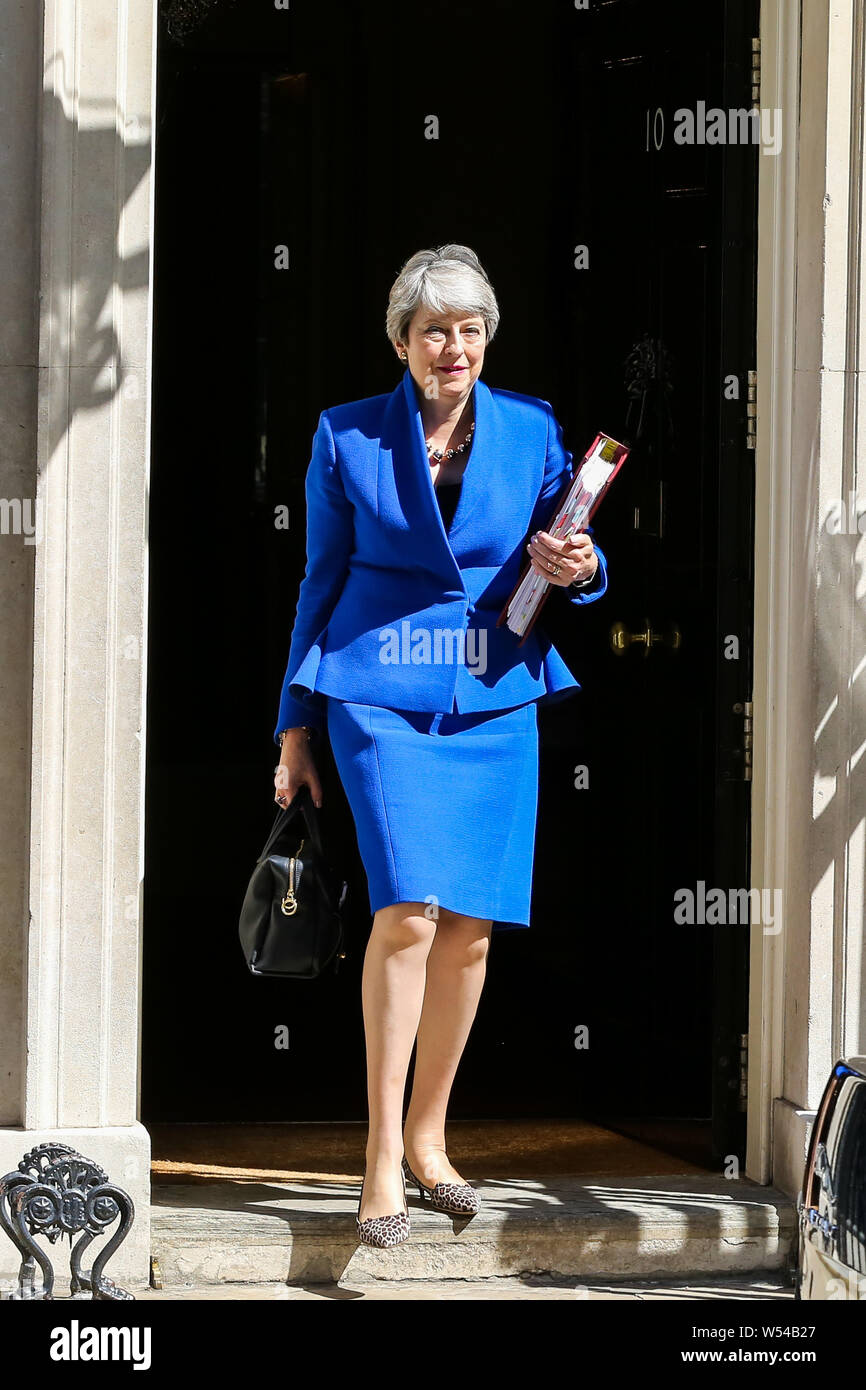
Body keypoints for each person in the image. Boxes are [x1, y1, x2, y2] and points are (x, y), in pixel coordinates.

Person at [273, 245, 608, 1247]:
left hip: (497, 694)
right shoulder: (344, 439)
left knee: (471, 925)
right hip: (374, 693)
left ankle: (429, 1139)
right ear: (400, 342)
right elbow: (317, 580)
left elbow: (570, 551)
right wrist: (294, 720)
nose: (451, 346)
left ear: (484, 340)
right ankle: (379, 1155)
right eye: (433, 330)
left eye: (467, 330)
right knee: (407, 913)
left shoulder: (535, 429)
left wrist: (579, 565)